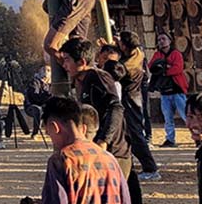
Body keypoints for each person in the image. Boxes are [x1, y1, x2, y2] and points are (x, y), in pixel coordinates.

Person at [59, 38, 132, 180]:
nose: (64, 65)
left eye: (67, 60)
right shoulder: (81, 81)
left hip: (113, 153)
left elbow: (116, 108)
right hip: (96, 152)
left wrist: (103, 141)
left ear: (82, 62)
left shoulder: (99, 77)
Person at [38, 96, 130, 204]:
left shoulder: (61, 160)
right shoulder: (109, 158)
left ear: (55, 127)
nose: (52, 140)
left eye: (49, 134)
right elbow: (126, 199)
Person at [116, 31, 160, 180]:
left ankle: (150, 168)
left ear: (124, 46)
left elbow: (115, 70)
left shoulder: (127, 66)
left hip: (129, 98)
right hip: (136, 96)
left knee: (135, 134)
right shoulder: (139, 53)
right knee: (129, 133)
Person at [148, 33, 188, 147]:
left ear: (170, 41)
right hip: (165, 92)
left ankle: (197, 136)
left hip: (177, 90)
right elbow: (152, 67)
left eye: (164, 39)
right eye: (159, 39)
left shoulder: (176, 54)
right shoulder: (157, 54)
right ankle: (170, 139)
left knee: (186, 115)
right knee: (167, 118)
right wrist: (166, 67)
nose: (161, 41)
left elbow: (178, 68)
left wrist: (164, 70)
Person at [25, 66, 52, 138]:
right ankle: (35, 133)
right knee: (38, 110)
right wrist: (47, 96)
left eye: (49, 70)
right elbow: (35, 97)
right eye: (44, 70)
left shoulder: (51, 84)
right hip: (32, 106)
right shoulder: (34, 82)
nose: (46, 72)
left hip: (45, 106)